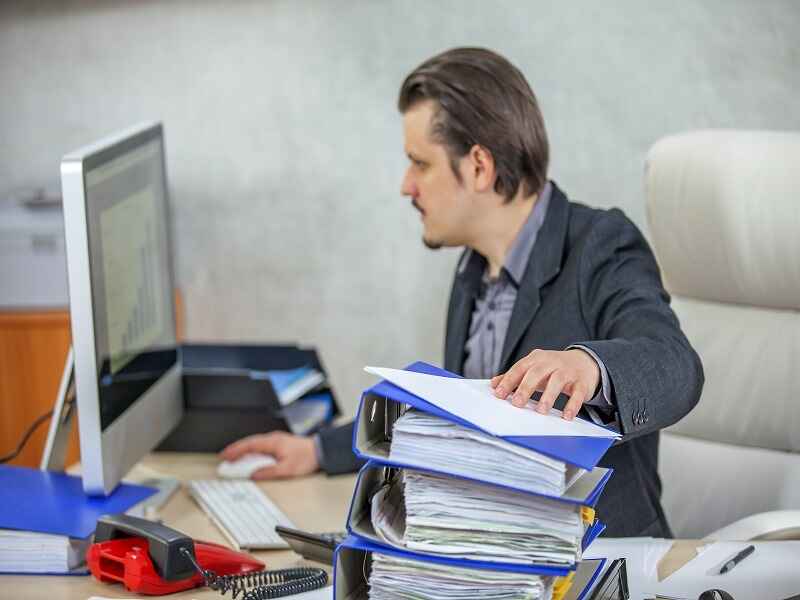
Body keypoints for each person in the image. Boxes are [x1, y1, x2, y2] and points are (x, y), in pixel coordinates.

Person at [222, 47, 704, 537]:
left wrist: (588, 367)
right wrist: (318, 451)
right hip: (493, 554)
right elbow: (460, 411)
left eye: (419, 164)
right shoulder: (472, 270)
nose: (406, 186)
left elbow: (673, 362)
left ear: (478, 167)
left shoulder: (600, 245)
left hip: (597, 559)